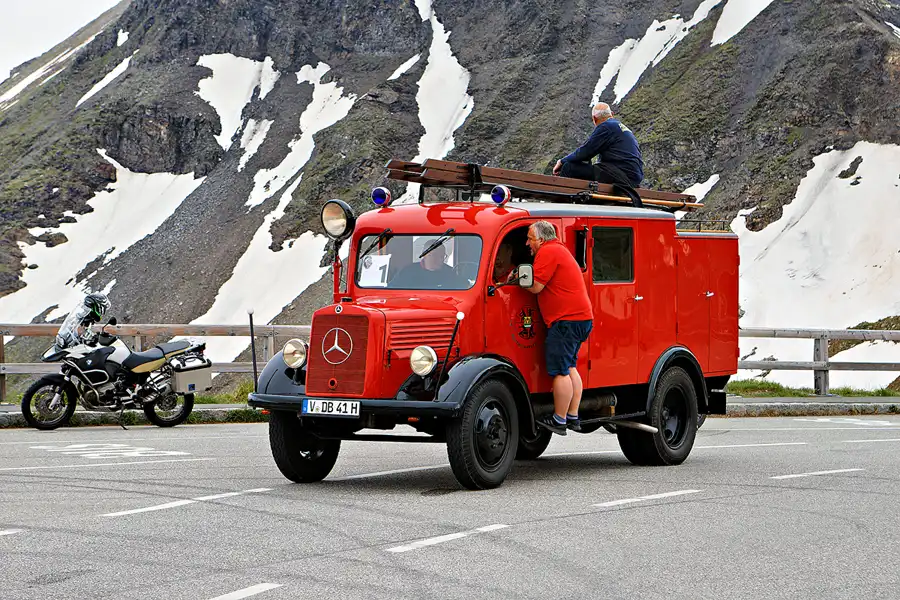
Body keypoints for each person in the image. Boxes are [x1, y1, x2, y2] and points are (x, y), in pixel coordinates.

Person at [518, 221, 593, 435]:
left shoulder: (547, 252)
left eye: (530, 238)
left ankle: (559, 420)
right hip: (581, 319)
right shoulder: (560, 250)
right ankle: (573, 416)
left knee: (560, 371)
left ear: (541, 239)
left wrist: (517, 279)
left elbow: (535, 286)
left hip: (565, 321)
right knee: (570, 367)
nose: (527, 243)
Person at [553, 102, 644, 188]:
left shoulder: (606, 127)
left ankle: (562, 200)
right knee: (590, 168)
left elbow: (585, 151)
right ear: (611, 114)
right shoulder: (621, 127)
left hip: (621, 175)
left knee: (568, 167)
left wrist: (562, 161)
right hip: (633, 175)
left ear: (594, 118)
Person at [389, 242, 466, 289]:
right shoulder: (408, 271)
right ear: (425, 255)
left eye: (442, 256)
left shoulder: (450, 272)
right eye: (435, 255)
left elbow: (464, 287)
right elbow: (391, 289)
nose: (440, 259)